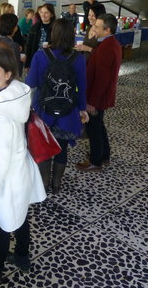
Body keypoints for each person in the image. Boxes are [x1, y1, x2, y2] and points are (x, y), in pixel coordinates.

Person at [0, 47, 46, 283]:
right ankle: (22, 256)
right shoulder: (17, 92)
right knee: (20, 214)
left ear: (8, 74)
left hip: (6, 177)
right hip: (21, 171)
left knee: (3, 220)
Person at [25, 19, 88, 193]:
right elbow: (82, 87)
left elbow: (31, 82)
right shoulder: (78, 58)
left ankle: (43, 183)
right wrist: (82, 109)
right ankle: (57, 184)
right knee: (62, 147)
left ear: (53, 34)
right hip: (68, 112)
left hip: (44, 112)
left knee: (45, 148)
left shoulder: (40, 55)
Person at [77, 13, 122, 172]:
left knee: (93, 128)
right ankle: (104, 155)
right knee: (99, 126)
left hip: (98, 97)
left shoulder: (106, 47)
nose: (93, 28)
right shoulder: (109, 43)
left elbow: (101, 79)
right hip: (101, 96)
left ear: (107, 30)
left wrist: (92, 102)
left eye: (97, 26)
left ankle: (95, 162)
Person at [25, 3, 55, 70]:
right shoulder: (35, 27)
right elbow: (29, 45)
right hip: (36, 59)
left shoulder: (56, 28)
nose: (43, 15)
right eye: (41, 12)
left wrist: (51, 45)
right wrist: (27, 64)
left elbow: (60, 43)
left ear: (52, 14)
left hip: (50, 60)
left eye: (46, 13)